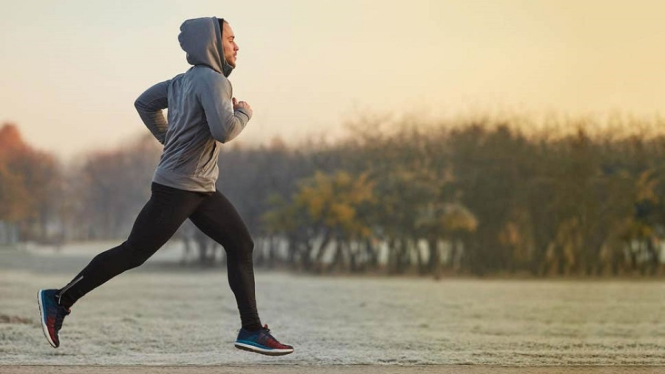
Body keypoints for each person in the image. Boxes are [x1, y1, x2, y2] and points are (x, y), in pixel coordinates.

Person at [37, 16, 294, 356]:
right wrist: (244, 112)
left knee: (241, 244)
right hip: (179, 188)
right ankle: (58, 299)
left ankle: (251, 329)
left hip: (200, 188)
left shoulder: (182, 81)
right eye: (231, 38)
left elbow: (144, 102)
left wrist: (168, 137)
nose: (237, 45)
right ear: (213, 43)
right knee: (134, 252)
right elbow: (224, 131)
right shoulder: (215, 82)